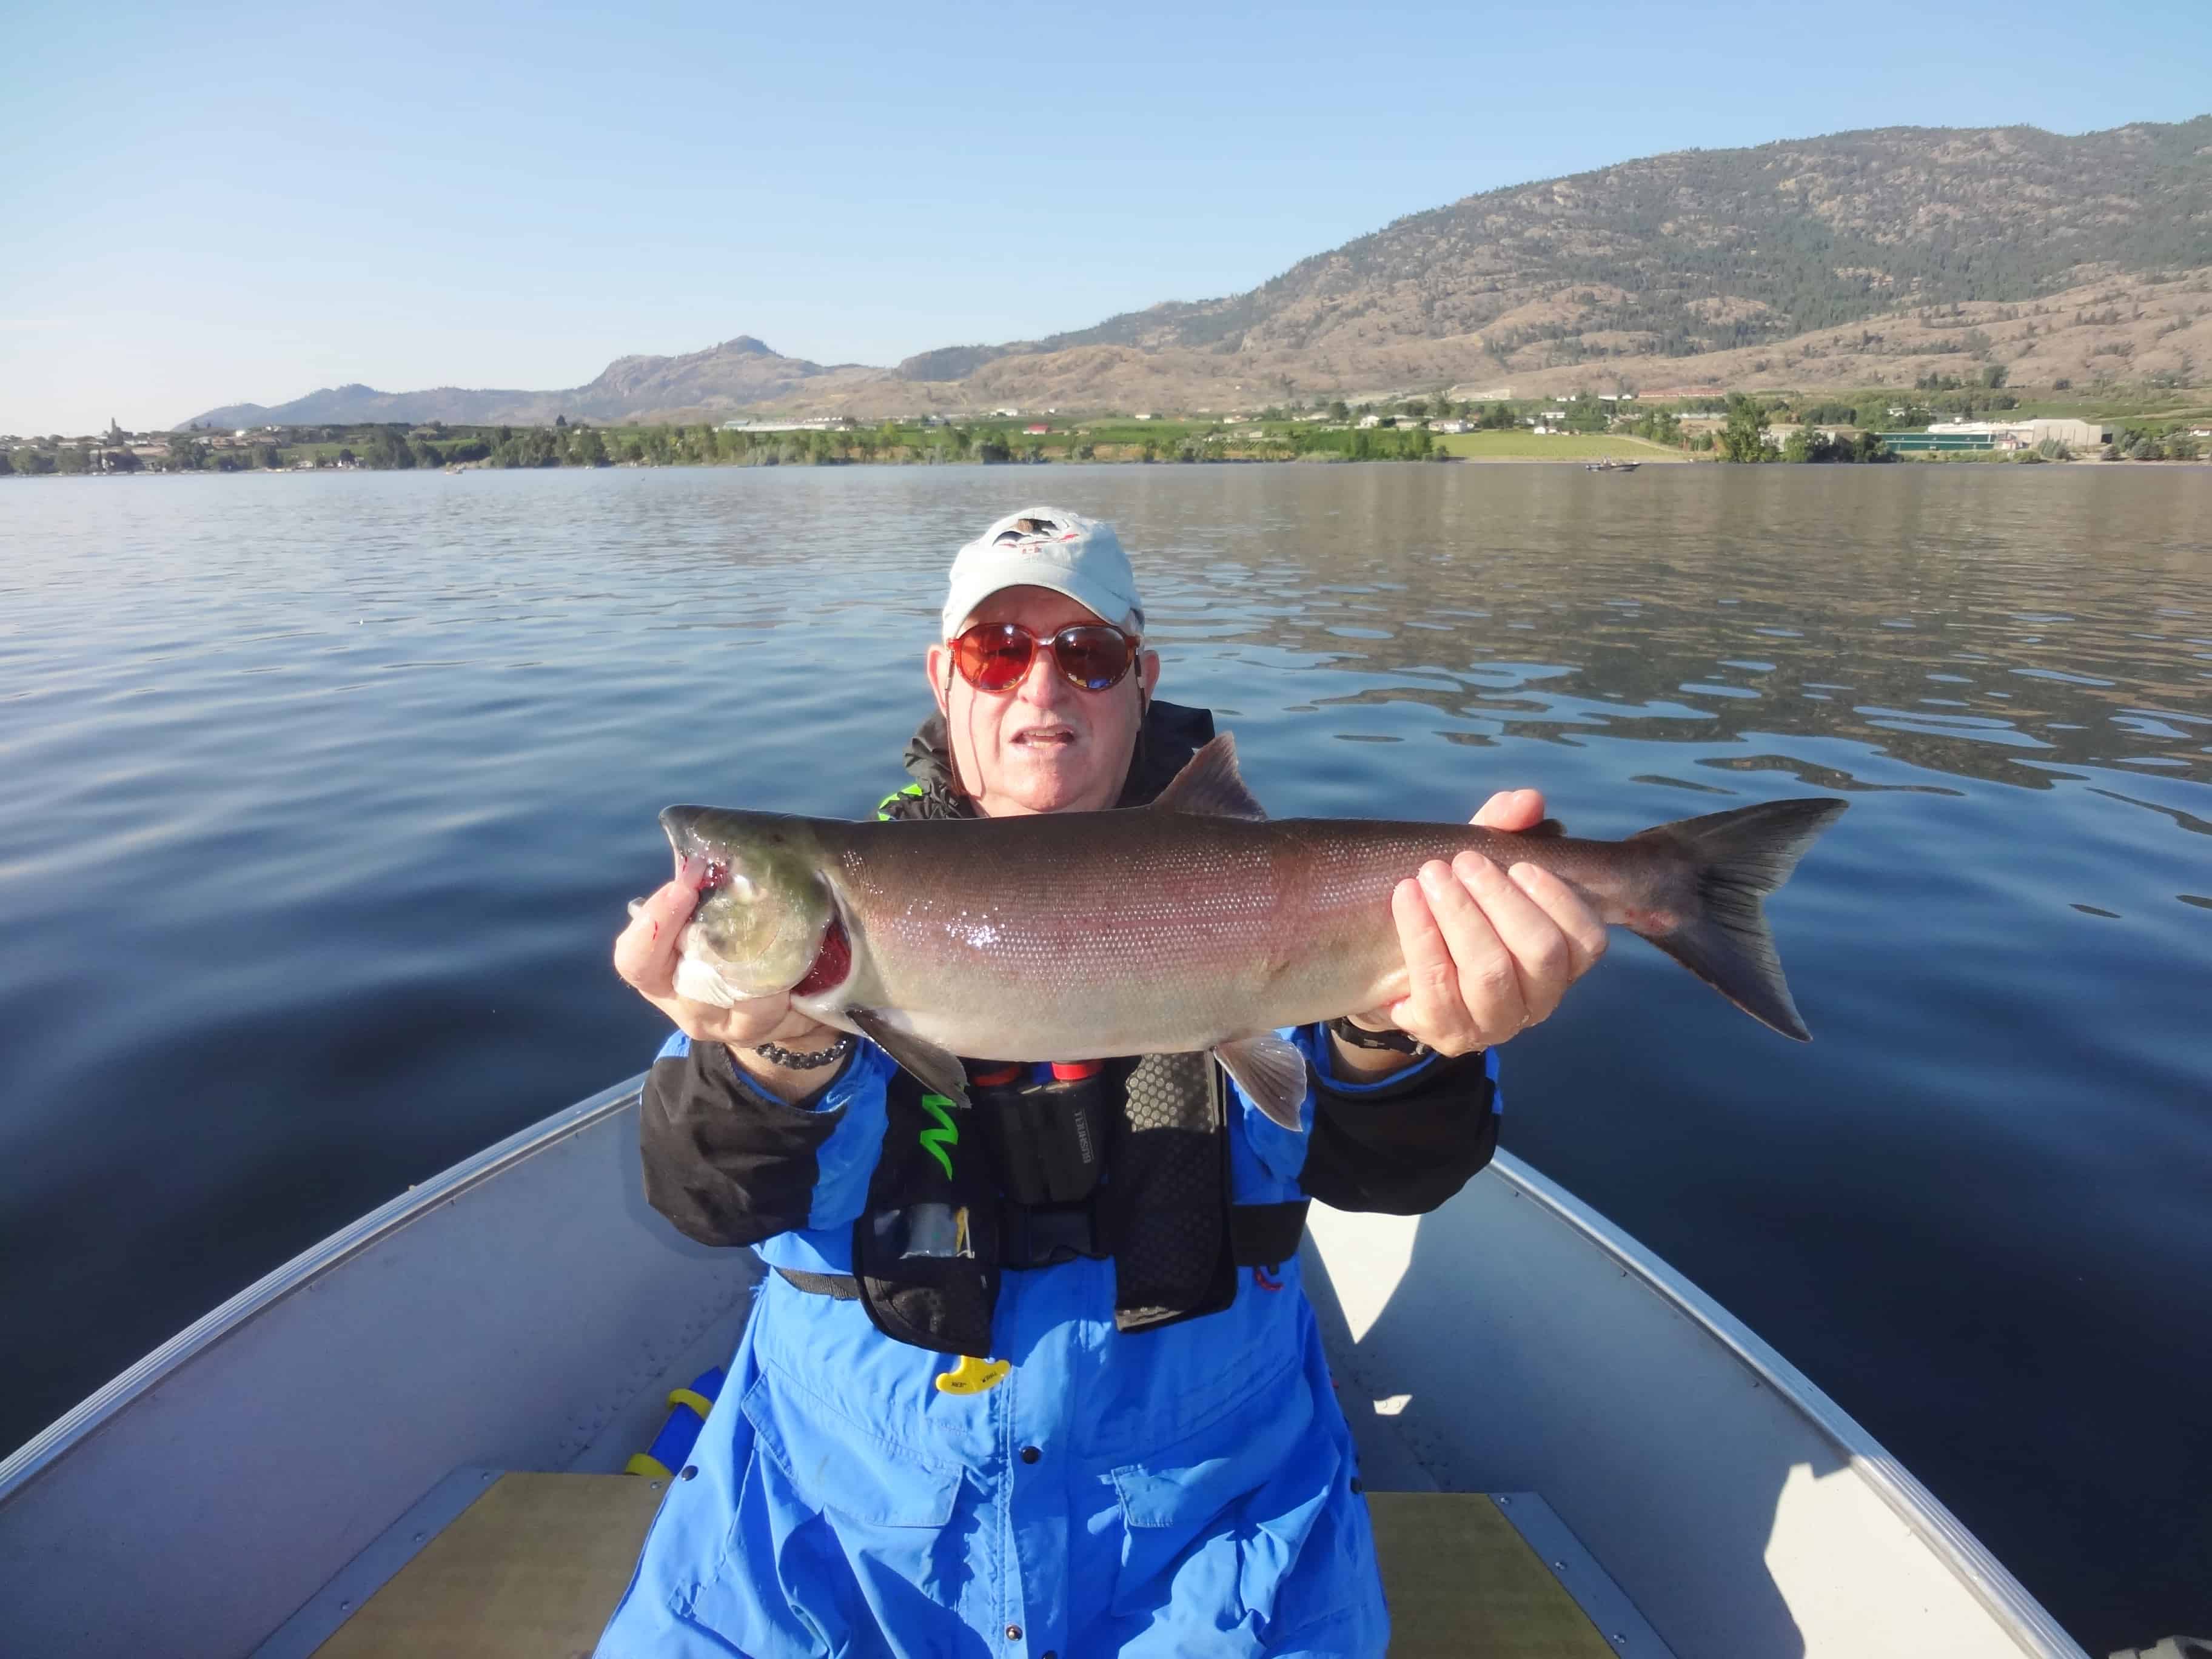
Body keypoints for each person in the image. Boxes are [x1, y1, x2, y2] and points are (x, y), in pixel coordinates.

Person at [600, 508, 1607, 1658]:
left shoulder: (1273, 902)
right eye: (997, 652)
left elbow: (1394, 1175)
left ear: (1142, 682)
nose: (1042, 691)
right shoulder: (842, 904)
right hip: (837, 1533)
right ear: (944, 676)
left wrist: (1396, 1041)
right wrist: (775, 1052)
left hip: (1214, 1537)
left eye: (1088, 655)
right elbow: (709, 1199)